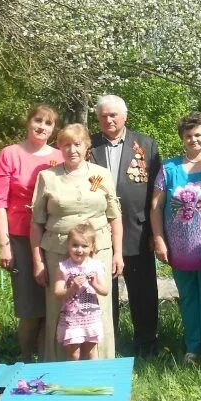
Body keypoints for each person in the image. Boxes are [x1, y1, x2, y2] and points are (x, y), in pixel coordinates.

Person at [31, 123, 123, 361]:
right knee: (60, 306)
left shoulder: (101, 174)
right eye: (66, 145)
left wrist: (117, 253)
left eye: (77, 144)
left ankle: (100, 366)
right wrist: (37, 262)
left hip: (98, 250)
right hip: (58, 251)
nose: (72, 150)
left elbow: (115, 216)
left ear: (87, 146)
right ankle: (60, 366)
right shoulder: (47, 177)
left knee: (97, 305)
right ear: (59, 147)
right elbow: (36, 222)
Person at [90, 95, 162, 357]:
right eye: (103, 116)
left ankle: (147, 343)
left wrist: (157, 233)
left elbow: (157, 191)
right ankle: (109, 344)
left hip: (137, 229)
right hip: (98, 231)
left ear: (124, 116)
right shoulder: (89, 145)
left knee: (143, 290)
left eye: (113, 115)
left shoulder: (145, 144)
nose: (108, 120)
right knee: (103, 290)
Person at [0, 104, 63, 362]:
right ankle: (24, 360)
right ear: (28, 122)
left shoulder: (59, 156)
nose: (42, 127)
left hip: (54, 238)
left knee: (52, 306)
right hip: (20, 238)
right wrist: (4, 244)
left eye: (48, 123)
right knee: (30, 308)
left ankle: (47, 361)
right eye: (38, 121)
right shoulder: (10, 154)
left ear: (54, 129)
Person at [151, 112, 201, 361]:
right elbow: (155, 207)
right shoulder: (169, 168)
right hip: (178, 247)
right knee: (188, 296)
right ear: (182, 138)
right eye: (188, 136)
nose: (193, 140)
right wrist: (159, 239)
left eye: (198, 134)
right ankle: (193, 347)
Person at [54, 224, 110, 361]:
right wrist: (72, 288)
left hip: (90, 316)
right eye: (75, 245)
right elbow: (57, 292)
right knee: (74, 354)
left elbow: (105, 291)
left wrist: (94, 284)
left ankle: (94, 379)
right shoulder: (64, 267)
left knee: (91, 353)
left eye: (84, 246)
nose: (79, 250)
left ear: (92, 247)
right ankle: (73, 380)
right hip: (72, 318)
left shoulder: (96, 266)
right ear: (68, 245)